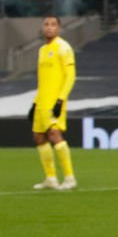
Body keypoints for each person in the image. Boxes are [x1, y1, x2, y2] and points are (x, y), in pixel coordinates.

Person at [31, 15, 77, 190]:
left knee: (54, 135)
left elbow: (70, 76)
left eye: (53, 24)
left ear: (59, 28)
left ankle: (69, 178)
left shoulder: (63, 48)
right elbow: (43, 80)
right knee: (39, 137)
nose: (49, 27)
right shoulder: (42, 50)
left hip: (55, 101)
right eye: (46, 24)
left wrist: (60, 100)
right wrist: (35, 103)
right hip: (42, 102)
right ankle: (50, 178)